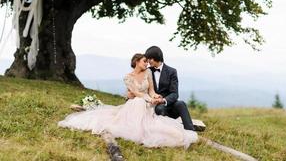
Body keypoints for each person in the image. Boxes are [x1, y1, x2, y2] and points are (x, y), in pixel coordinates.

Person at [58, 53, 198, 148]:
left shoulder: (148, 72)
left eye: (148, 61)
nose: (147, 64)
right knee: (137, 103)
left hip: (146, 103)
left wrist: (156, 97)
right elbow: (136, 93)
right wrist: (150, 100)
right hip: (136, 102)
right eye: (144, 61)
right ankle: (136, 129)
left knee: (152, 113)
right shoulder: (127, 77)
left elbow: (151, 91)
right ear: (137, 62)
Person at [127, 46, 195, 131]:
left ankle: (190, 130)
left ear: (156, 57)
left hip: (168, 104)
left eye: (149, 59)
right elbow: (136, 80)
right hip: (153, 105)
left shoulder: (172, 71)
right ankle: (165, 130)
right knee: (160, 108)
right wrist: (130, 93)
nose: (147, 62)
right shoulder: (147, 71)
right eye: (146, 60)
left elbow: (175, 94)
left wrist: (163, 100)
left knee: (181, 104)